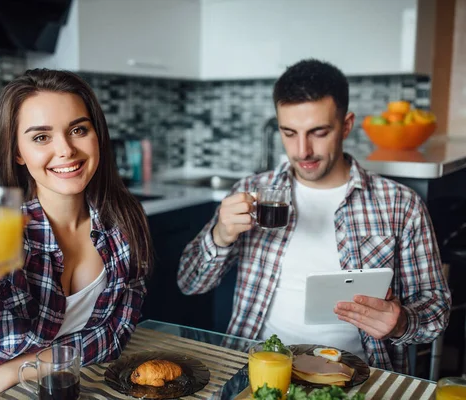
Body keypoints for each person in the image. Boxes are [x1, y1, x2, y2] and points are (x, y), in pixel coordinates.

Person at [177, 59, 451, 373]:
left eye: (318, 133)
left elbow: (437, 310)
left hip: (358, 374)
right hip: (257, 368)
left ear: (346, 125)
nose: (302, 150)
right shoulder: (251, 190)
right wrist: (220, 236)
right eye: (289, 133)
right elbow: (189, 283)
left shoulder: (401, 205)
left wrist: (402, 322)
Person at [0, 69, 152, 399]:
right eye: (41, 137)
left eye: (78, 129)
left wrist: (18, 368)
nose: (66, 150)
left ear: (97, 134)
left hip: (65, 385)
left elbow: (116, 335)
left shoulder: (124, 221)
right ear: (18, 153)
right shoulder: (3, 233)